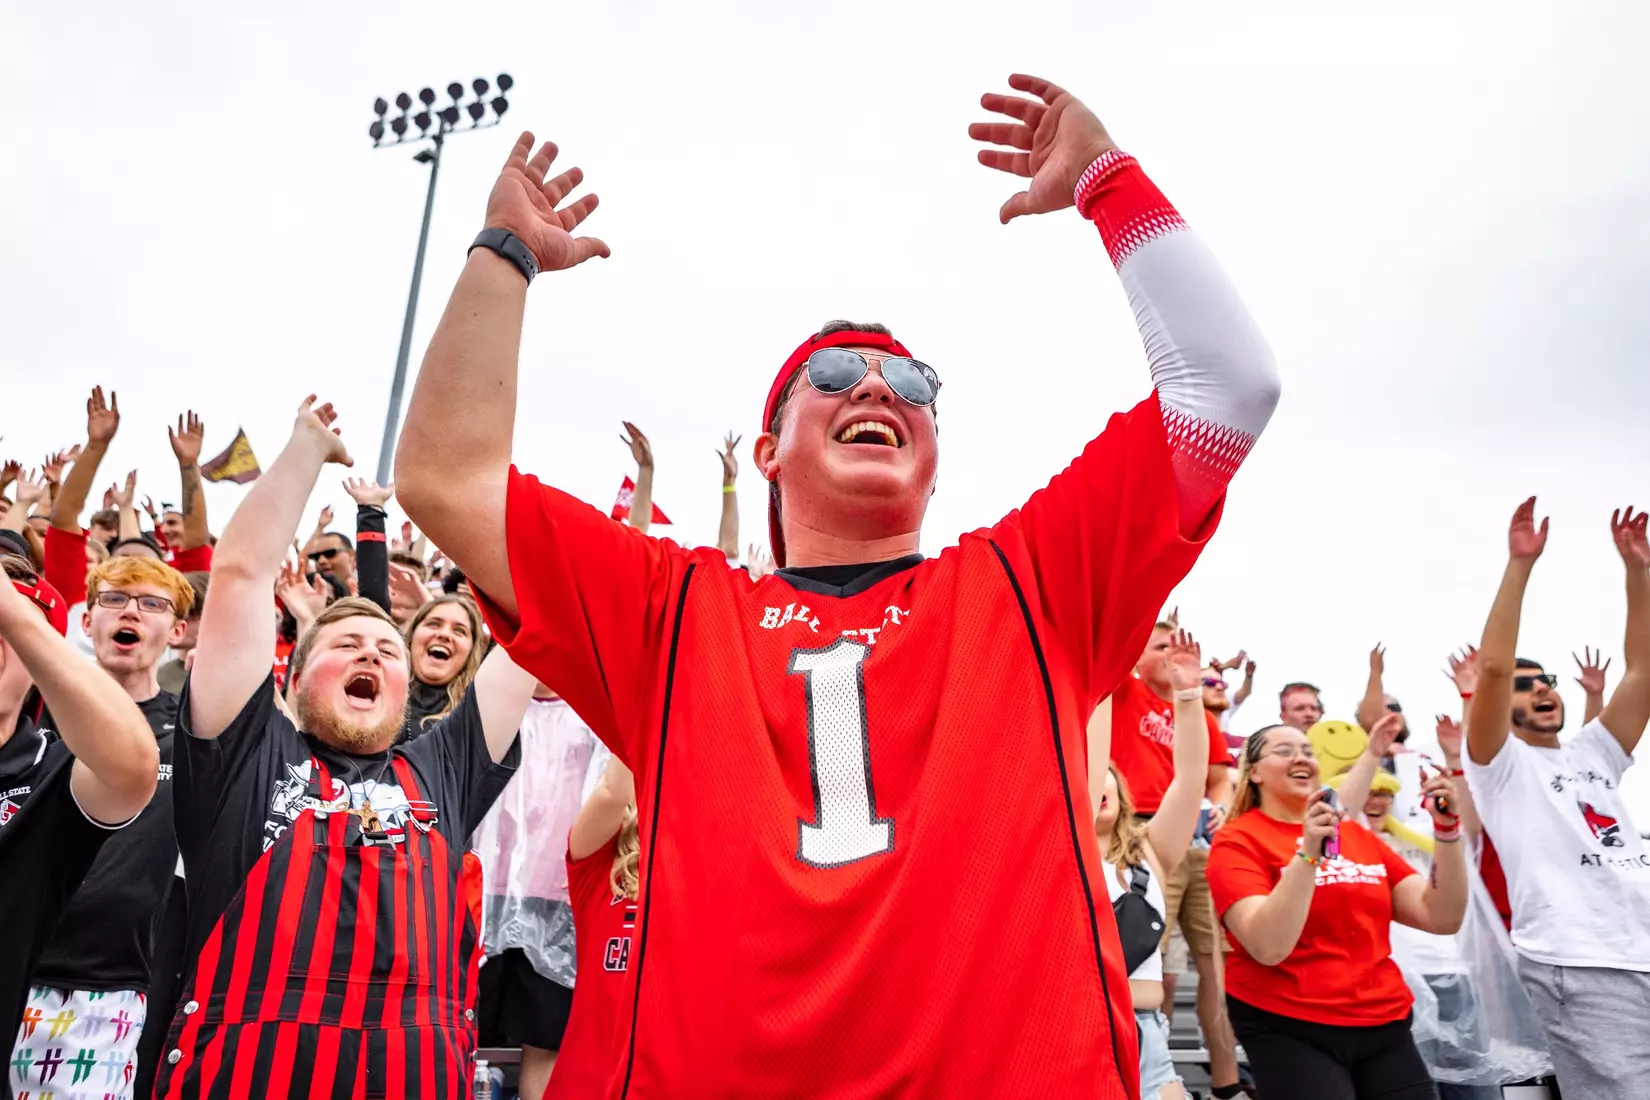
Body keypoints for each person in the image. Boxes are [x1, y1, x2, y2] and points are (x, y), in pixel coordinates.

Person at [397, 72, 1280, 1096]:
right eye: (834, 376)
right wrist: (500, 255)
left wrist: (1107, 180)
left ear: (936, 455)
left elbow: (1229, 386)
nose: (873, 385)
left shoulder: (1032, 583)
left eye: (910, 385)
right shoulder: (674, 612)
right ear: (767, 453)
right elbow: (443, 477)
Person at [155, 397, 535, 1100]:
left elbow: (533, 632)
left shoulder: (442, 766)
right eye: (344, 644)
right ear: (292, 679)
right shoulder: (243, 755)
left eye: (389, 649)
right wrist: (305, 450)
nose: (372, 653)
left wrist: (470, 487)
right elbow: (239, 575)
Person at [1463, 500, 1650, 1100]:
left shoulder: (1593, 752)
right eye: (1525, 686)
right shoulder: (1499, 765)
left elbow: (1642, 672)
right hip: (1580, 964)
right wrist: (1520, 565)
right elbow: (1492, 670)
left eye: (1543, 680)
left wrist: (1637, 574)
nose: (1540, 687)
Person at [1208, 715, 1466, 1100]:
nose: (1301, 759)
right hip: (1289, 1022)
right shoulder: (1237, 841)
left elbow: (1441, 916)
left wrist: (1448, 832)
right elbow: (1268, 945)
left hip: (1384, 1020)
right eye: (1284, 751)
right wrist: (1308, 852)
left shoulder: (1355, 835)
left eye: (1307, 752)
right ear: (1254, 773)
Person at [12, 557, 193, 1100]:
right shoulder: (28, 716)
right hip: (14, 965)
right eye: (114, 598)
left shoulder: (195, 733)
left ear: (178, 631)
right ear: (86, 621)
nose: (130, 610)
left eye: (151, 602)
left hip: (105, 989)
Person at [1107, 620, 1240, 1095]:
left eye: (1175, 645)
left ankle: (1226, 1082)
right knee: (1153, 958)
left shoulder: (1199, 715)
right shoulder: (1124, 694)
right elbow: (1109, 647)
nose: (1170, 652)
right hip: (1136, 831)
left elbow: (1216, 776)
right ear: (1138, 658)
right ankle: (1152, 1067)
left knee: (1214, 964)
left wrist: (1220, 804)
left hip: (1197, 836)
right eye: (1159, 645)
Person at [1336, 715, 1499, 1100]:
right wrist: (1373, 750)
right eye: (1369, 791)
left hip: (1452, 975)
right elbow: (1342, 812)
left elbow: (1466, 828)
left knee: (1476, 1091)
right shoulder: (1343, 845)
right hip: (1395, 983)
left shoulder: (1424, 833)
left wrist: (1455, 761)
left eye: (1385, 793)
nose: (1377, 800)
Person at [1092, 630, 1210, 1099]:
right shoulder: (1056, 851)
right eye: (1088, 774)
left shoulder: (1151, 853)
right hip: (1078, 1024)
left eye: (1107, 778)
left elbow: (1189, 780)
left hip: (1148, 1035)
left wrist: (1188, 694)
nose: (1096, 782)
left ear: (1122, 796)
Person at [472, 683, 600, 1100]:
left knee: (544, 1041)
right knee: (465, 1032)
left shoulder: (594, 711)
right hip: (482, 894)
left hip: (557, 901)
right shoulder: (492, 699)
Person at [548, 750, 638, 1100]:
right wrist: (646, 705)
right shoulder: (601, 866)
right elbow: (611, 791)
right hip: (588, 1083)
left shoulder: (700, 875)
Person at [402, 595, 487, 735]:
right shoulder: (373, 695)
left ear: (471, 653)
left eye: (459, 631)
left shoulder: (478, 718)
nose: (444, 634)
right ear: (412, 635)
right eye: (433, 624)